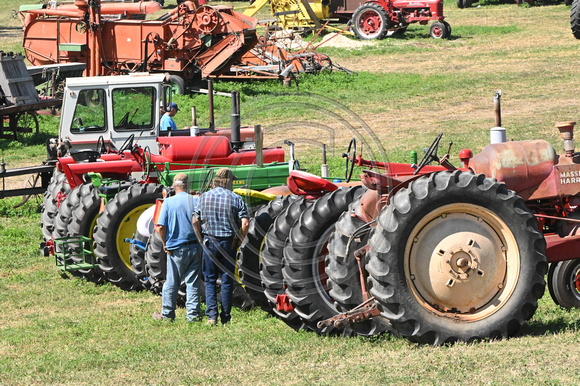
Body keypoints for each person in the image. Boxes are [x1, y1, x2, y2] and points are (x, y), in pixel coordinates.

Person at [192, 167, 249, 326]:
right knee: (226, 280)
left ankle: (212, 317)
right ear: (229, 181)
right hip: (228, 242)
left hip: (209, 241)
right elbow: (245, 223)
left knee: (209, 280)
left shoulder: (203, 197)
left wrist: (200, 239)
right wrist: (239, 240)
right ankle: (226, 316)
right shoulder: (235, 198)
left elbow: (195, 221)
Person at [152, 172, 202, 322]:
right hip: (194, 247)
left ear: (174, 186)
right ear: (188, 186)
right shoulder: (196, 200)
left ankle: (167, 315)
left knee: (172, 283)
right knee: (193, 282)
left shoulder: (168, 202)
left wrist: (165, 244)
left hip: (176, 249)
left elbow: (160, 227)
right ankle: (193, 316)